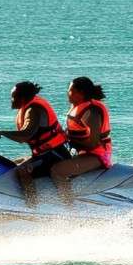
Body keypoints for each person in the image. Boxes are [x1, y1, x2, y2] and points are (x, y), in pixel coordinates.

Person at [0, 81, 70, 205]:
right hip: (44, 154)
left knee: (23, 170)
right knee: (12, 163)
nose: (11, 99)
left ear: (23, 98)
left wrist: (1, 133)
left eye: (14, 96)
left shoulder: (33, 110)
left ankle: (31, 205)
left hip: (54, 155)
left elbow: (25, 135)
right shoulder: (28, 107)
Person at [51, 76, 112, 205]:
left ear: (81, 94)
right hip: (83, 154)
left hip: (97, 156)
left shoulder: (91, 111)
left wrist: (69, 140)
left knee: (57, 171)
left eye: (70, 90)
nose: (67, 93)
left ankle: (69, 208)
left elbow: (93, 142)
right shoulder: (79, 108)